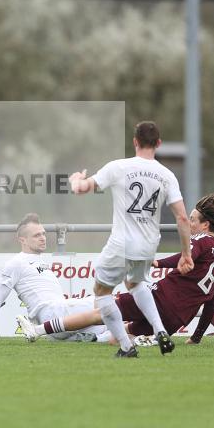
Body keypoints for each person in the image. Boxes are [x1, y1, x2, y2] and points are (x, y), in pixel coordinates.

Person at [18, 194, 214, 348]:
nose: (189, 223)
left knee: (100, 314)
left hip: (161, 299)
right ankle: (102, 342)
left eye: (193, 219)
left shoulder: (201, 239)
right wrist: (196, 337)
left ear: (206, 224)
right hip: (176, 319)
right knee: (120, 335)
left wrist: (158, 263)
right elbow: (211, 302)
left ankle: (37, 331)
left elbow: (187, 256)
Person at [68, 121, 193, 357]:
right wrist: (186, 253)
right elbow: (183, 218)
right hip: (148, 245)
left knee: (102, 292)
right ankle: (159, 330)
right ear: (158, 144)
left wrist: (76, 180)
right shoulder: (167, 175)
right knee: (135, 284)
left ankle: (127, 346)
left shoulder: (119, 167)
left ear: (135, 142)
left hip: (122, 242)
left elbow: (82, 189)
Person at [0, 213, 110, 343]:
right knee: (108, 302)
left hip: (58, 324)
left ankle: (94, 339)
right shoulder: (16, 263)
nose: (43, 238)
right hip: (51, 314)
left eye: (43, 234)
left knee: (115, 327)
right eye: (37, 235)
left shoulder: (40, 260)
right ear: (22, 240)